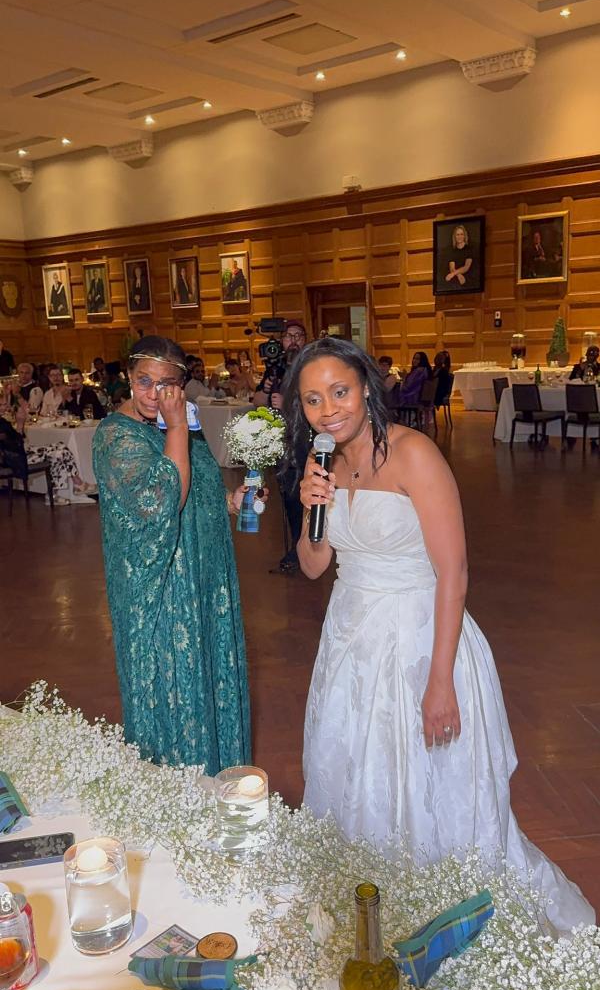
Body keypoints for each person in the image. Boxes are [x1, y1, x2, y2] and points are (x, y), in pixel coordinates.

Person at [286, 336, 594, 934]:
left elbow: (454, 573)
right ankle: (372, 909)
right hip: (350, 643)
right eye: (313, 399)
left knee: (428, 792)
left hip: (420, 639)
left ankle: (444, 914)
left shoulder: (414, 454)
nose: (328, 410)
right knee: (355, 778)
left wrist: (441, 683)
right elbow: (314, 567)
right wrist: (310, 512)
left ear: (366, 387)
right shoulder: (323, 465)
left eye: (339, 392)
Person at [92, 335, 252, 769]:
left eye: (167, 385)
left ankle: (219, 787)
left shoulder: (182, 423)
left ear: (181, 385)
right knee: (172, 692)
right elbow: (164, 501)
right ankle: (174, 799)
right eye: (144, 381)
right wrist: (178, 427)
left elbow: (200, 484)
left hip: (203, 579)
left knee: (210, 679)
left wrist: (231, 502)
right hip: (159, 591)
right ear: (128, 377)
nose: (155, 394)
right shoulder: (115, 435)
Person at [254, 321, 307, 574]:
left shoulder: (310, 366)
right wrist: (266, 394)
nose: (293, 340)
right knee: (289, 497)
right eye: (288, 336)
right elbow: (257, 400)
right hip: (282, 440)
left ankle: (303, 549)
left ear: (305, 340)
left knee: (303, 497)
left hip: (305, 438)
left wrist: (288, 403)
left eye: (298, 335)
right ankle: (298, 547)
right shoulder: (275, 368)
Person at [0, 393, 96, 505]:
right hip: (12, 459)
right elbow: (15, 444)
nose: (5, 407)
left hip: (19, 453)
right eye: (1, 405)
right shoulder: (2, 424)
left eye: (5, 404)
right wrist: (20, 424)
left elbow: (17, 441)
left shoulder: (3, 421)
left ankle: (68, 488)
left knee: (60, 447)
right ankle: (75, 486)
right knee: (59, 453)